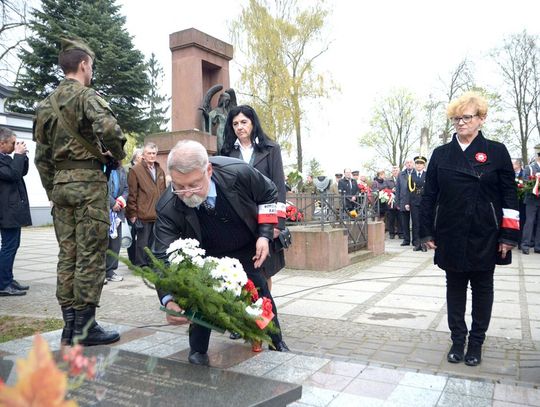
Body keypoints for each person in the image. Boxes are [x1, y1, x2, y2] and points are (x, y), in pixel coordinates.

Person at [153, 140, 289, 366]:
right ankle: (198, 351)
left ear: (208, 170)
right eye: (179, 186)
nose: (187, 193)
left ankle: (276, 340)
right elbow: (161, 256)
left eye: (194, 185)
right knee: (201, 297)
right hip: (204, 253)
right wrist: (168, 299)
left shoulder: (238, 173)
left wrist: (264, 234)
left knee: (260, 293)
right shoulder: (168, 206)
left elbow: (268, 193)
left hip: (245, 246)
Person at [33, 38, 125, 346]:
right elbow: (110, 130)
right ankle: (85, 329)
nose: (91, 71)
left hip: (60, 187)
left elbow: (41, 157)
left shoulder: (45, 105)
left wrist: (52, 189)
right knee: (90, 255)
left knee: (67, 255)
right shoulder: (87, 97)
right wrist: (116, 155)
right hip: (88, 185)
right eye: (91, 66)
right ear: (84, 64)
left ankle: (69, 326)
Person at [420, 91, 519, 367]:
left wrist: (509, 235)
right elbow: (429, 196)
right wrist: (426, 231)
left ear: (481, 119)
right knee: (455, 287)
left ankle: (476, 342)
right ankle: (457, 340)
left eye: (466, 117)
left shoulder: (497, 151)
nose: (460, 123)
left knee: (483, 288)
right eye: (456, 118)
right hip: (450, 232)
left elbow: (509, 196)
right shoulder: (441, 154)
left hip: (485, 232)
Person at [0, 127, 32, 296]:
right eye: (12, 143)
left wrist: (23, 156)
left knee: (13, 245)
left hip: (11, 211)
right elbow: (12, 174)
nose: (15, 146)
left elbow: (21, 172)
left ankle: (7, 279)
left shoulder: (6, 158)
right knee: (8, 246)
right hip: (5, 211)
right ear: (2, 143)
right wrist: (18, 156)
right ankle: (3, 284)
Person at [126, 142, 167, 266]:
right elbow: (131, 194)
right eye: (149, 153)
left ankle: (152, 264)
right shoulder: (135, 170)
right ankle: (141, 265)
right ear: (143, 155)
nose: (152, 156)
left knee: (155, 242)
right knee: (142, 243)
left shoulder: (160, 170)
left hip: (158, 213)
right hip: (142, 213)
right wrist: (132, 213)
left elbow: (164, 192)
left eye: (154, 153)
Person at [104, 162, 128, 283]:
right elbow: (100, 188)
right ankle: (100, 272)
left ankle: (110, 271)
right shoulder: (101, 167)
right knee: (103, 242)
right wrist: (112, 203)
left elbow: (126, 188)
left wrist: (121, 201)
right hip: (103, 210)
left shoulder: (121, 170)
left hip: (117, 212)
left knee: (115, 243)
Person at [521, 146, 540, 255]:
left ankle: (538, 246)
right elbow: (525, 182)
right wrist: (534, 185)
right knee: (529, 222)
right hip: (531, 199)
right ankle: (525, 245)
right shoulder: (530, 167)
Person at [407, 156, 427, 252]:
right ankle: (417, 243)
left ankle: (424, 244)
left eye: (421, 164)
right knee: (415, 223)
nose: (419, 165)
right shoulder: (411, 176)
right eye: (417, 163)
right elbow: (408, 190)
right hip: (414, 202)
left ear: (424, 165)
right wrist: (407, 203)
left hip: (424, 202)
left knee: (424, 223)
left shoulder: (428, 175)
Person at [126, 148, 143, 264]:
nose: (144, 158)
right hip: (131, 207)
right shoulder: (129, 170)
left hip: (143, 208)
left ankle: (141, 259)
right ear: (136, 157)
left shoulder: (144, 169)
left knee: (142, 236)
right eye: (142, 155)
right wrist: (131, 211)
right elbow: (129, 191)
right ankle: (132, 260)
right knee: (132, 235)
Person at [395, 158, 414, 246]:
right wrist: (397, 203)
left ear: (413, 164)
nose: (409, 164)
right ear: (405, 165)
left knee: (415, 222)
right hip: (403, 201)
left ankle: (415, 240)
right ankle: (406, 240)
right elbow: (397, 189)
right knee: (404, 222)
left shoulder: (416, 173)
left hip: (414, 201)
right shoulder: (401, 175)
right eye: (407, 163)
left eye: (410, 162)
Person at [385, 166, 402, 239]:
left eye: (396, 170)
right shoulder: (387, 180)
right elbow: (385, 189)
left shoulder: (402, 178)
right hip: (391, 202)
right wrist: (391, 190)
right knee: (391, 219)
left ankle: (401, 233)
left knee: (400, 218)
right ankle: (391, 233)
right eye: (394, 170)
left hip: (400, 201)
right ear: (392, 172)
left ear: (399, 171)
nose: (395, 172)